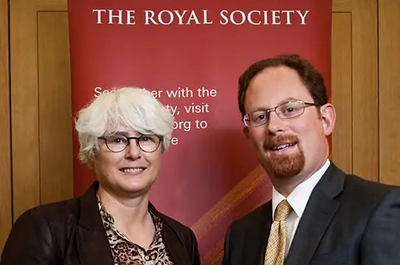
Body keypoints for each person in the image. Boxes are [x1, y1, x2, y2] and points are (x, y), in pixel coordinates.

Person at [223, 54, 400, 265]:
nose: (274, 126)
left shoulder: (378, 209)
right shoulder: (241, 235)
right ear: (250, 138)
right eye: (260, 117)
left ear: (325, 119)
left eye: (289, 109)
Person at [1, 87, 201, 265]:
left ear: (160, 149)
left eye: (146, 138)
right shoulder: (45, 229)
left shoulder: (182, 239)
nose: (134, 153)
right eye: (117, 140)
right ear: (92, 151)